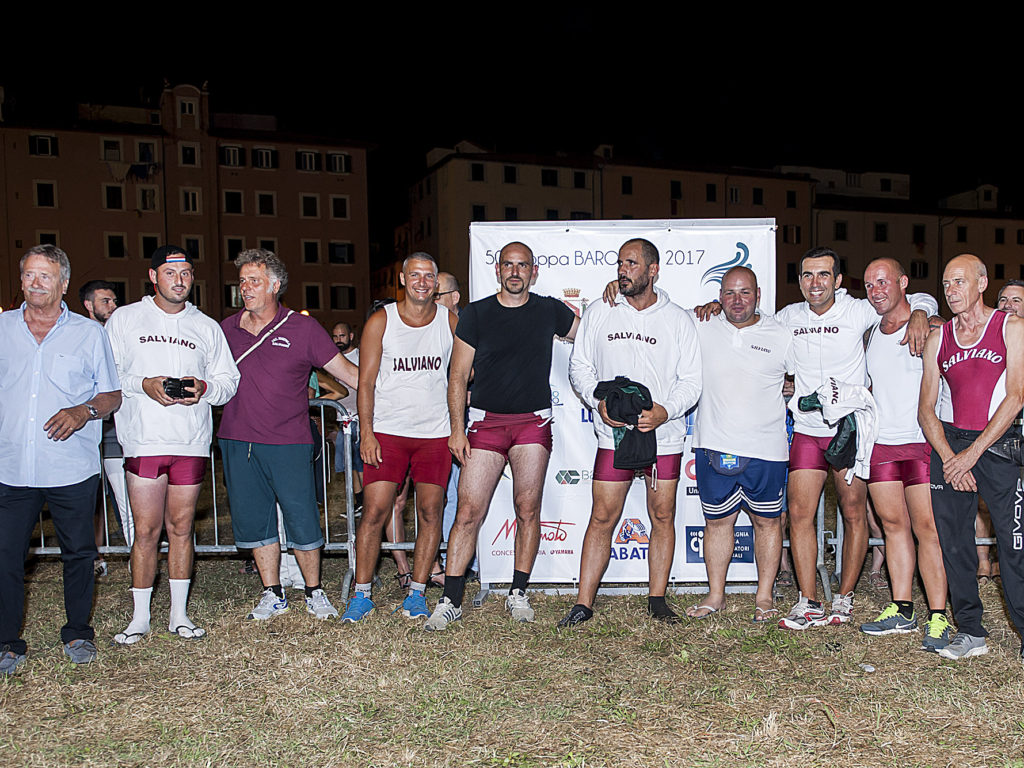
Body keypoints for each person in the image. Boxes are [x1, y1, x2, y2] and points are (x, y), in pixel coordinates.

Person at [771, 247, 936, 630]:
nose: (815, 283)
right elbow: (750, 325)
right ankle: (808, 601)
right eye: (808, 275)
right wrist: (714, 309)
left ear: (839, 281)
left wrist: (921, 311)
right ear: (799, 281)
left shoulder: (858, 310)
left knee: (853, 512)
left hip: (850, 430)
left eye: (824, 275)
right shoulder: (788, 317)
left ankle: (844, 598)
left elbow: (910, 297)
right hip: (809, 430)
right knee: (799, 513)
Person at [425, 242, 579, 630]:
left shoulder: (549, 310)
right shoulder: (477, 314)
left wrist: (612, 300)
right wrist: (456, 429)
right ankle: (451, 600)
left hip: (533, 424)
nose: (514, 272)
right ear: (498, 270)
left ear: (533, 271)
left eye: (522, 265)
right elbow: (458, 376)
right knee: (467, 512)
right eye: (508, 265)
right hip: (485, 424)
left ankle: (518, 592)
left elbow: (594, 334)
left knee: (527, 509)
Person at [559, 238, 702, 627]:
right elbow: (580, 366)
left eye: (632, 264)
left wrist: (665, 411)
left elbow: (692, 380)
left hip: (663, 435)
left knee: (663, 514)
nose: (623, 270)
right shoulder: (600, 311)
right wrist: (598, 403)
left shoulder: (678, 319)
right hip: (615, 436)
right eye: (620, 263)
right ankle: (583, 603)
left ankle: (657, 600)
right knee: (602, 515)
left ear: (653, 270)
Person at [105, 246, 240, 643]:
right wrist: (144, 384)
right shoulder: (126, 318)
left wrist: (205, 388)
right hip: (145, 440)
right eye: (170, 273)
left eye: (185, 273)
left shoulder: (206, 326)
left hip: (190, 443)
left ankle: (179, 615)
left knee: (181, 528)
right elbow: (108, 375)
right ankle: (140, 618)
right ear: (153, 276)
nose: (179, 281)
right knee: (146, 531)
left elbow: (229, 381)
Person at [218, 248, 359, 621]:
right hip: (238, 439)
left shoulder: (303, 328)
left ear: (275, 285)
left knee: (301, 516)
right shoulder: (225, 329)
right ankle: (273, 592)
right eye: (242, 281)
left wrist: (396, 395)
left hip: (289, 441)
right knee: (256, 519)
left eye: (255, 281)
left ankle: (314, 591)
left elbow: (349, 374)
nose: (246, 288)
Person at [0, 245, 121, 675]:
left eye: (45, 276)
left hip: (70, 465)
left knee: (79, 554)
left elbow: (111, 395)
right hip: (12, 466)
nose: (35, 283)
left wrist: (83, 411)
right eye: (28, 275)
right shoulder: (3, 328)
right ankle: (7, 642)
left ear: (64, 284)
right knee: (6, 556)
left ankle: (78, 633)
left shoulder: (89, 334)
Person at [341, 254, 458, 622]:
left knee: (430, 513)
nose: (422, 282)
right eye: (415, 275)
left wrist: (457, 428)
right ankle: (361, 595)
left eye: (429, 276)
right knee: (374, 511)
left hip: (434, 434)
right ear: (403, 279)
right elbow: (365, 382)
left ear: (436, 283)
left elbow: (462, 374)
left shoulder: (449, 321)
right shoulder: (382, 320)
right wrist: (367, 433)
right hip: (388, 433)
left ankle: (417, 593)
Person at [919, 254, 1024, 660]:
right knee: (954, 542)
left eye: (959, 282)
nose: (951, 291)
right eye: (946, 284)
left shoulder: (1010, 327)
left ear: (982, 284)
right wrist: (951, 457)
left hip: (997, 445)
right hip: (950, 444)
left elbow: (1016, 397)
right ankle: (970, 631)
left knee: (1013, 544)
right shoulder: (938, 338)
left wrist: (971, 455)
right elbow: (926, 409)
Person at [682, 266, 792, 623]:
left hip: (767, 450)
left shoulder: (781, 333)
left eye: (745, 292)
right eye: (729, 293)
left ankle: (764, 597)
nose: (737, 300)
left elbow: (804, 376)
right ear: (718, 297)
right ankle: (716, 595)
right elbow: (657, 313)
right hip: (713, 445)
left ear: (758, 295)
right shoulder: (701, 325)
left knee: (768, 524)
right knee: (717, 524)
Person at [856, 258, 951, 651]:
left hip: (921, 442)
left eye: (883, 282)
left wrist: (923, 310)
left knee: (927, 529)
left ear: (903, 282)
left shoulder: (930, 325)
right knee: (893, 526)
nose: (876, 291)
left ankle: (939, 614)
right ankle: (902, 607)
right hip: (882, 445)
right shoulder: (870, 334)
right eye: (869, 285)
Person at [78, 279, 128, 575]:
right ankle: (93, 557)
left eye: (114, 300)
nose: (113, 306)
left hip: (113, 430)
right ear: (88, 305)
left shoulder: (118, 333)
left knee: (125, 494)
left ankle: (138, 552)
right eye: (105, 301)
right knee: (90, 498)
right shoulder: (79, 336)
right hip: (84, 429)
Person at [435, 272, 466, 582]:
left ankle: (469, 562)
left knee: (464, 493)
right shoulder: (429, 329)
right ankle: (447, 560)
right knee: (443, 494)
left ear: (454, 298)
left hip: (471, 422)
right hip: (437, 424)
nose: (430, 300)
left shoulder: (470, 327)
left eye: (437, 295)